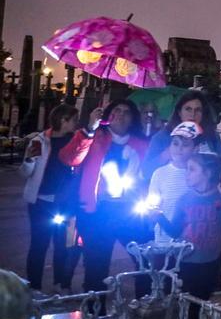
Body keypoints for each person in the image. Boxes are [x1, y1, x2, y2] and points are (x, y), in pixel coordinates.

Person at [59, 99, 149, 293]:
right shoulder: (94, 137)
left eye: (127, 112)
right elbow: (69, 158)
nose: (121, 115)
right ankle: (95, 314)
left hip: (130, 211)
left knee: (144, 259)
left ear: (133, 118)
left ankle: (144, 306)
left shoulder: (142, 143)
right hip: (97, 212)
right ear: (108, 115)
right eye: (117, 110)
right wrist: (89, 130)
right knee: (96, 267)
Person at [154, 154, 221, 319]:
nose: (187, 174)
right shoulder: (184, 199)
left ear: (207, 174)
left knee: (200, 304)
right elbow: (175, 230)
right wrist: (158, 216)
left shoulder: (218, 197)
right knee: (185, 302)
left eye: (192, 169)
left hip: (209, 263)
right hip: (186, 262)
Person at [22, 104, 81, 294]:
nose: (75, 123)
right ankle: (34, 286)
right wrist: (29, 160)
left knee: (63, 245)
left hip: (65, 202)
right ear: (63, 120)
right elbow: (25, 173)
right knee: (39, 245)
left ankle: (60, 283)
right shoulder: (40, 141)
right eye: (73, 119)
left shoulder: (76, 141)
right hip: (41, 201)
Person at [144, 91, 221, 181]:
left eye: (198, 110)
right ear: (179, 112)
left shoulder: (211, 136)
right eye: (188, 109)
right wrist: (164, 156)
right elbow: (145, 172)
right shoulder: (162, 137)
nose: (193, 114)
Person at [147, 123, 200, 245]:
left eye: (185, 145)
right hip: (164, 238)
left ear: (195, 149)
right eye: (175, 144)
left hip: (190, 239)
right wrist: (153, 213)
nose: (179, 148)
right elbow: (153, 203)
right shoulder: (159, 173)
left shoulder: (197, 173)